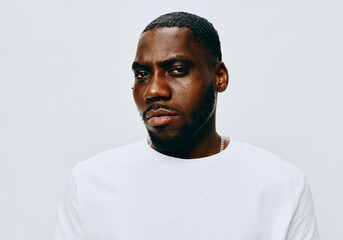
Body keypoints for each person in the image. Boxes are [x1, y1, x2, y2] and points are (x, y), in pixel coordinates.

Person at [52, 12, 319, 240]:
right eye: (142, 74)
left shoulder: (281, 184)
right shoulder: (90, 182)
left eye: (177, 69)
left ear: (219, 77)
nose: (153, 90)